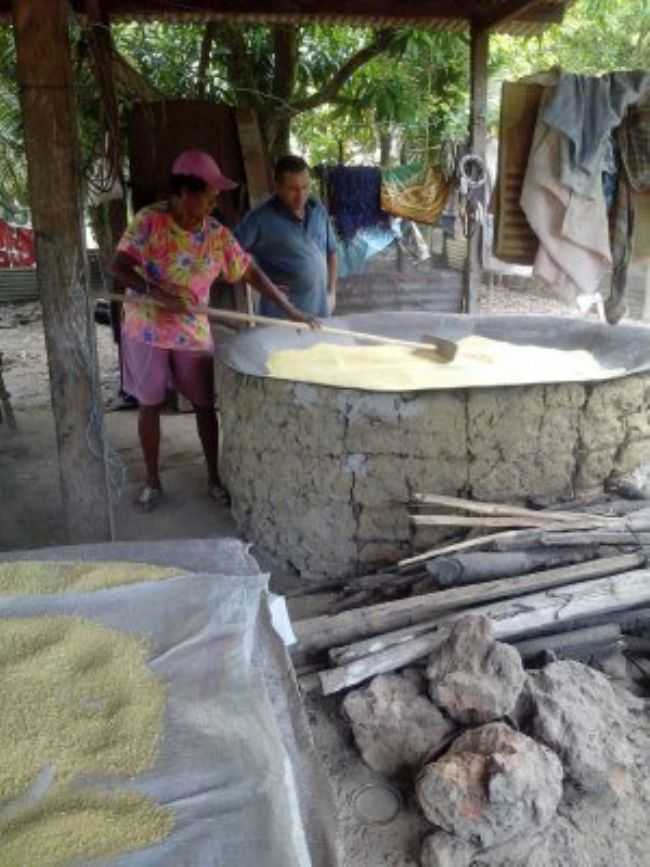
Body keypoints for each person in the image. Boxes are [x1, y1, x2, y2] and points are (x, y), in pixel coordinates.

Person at [111, 149, 315, 511]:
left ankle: (214, 477)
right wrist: (158, 293)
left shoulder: (216, 235)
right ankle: (153, 481)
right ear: (185, 192)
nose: (215, 199)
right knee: (150, 404)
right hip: (146, 328)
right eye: (210, 192)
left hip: (191, 329)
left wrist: (290, 310)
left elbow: (248, 270)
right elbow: (120, 266)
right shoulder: (148, 223)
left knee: (205, 404)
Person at [235, 155, 338, 318]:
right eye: (293, 189)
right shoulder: (259, 219)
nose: (301, 195)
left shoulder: (317, 209)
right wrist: (263, 286)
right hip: (281, 318)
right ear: (278, 187)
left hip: (320, 313)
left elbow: (332, 252)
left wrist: (332, 292)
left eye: (305, 187)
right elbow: (229, 256)